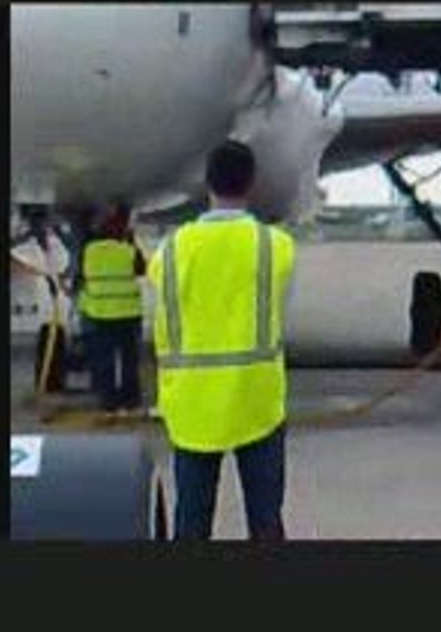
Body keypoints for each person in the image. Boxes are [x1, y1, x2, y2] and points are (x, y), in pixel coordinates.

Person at [147, 140, 295, 540]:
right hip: (257, 402)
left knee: (192, 521)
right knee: (266, 521)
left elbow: (163, 300)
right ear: (251, 183)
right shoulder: (275, 246)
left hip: (192, 406)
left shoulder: (170, 250)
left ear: (206, 183)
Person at [76, 202, 146, 415]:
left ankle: (108, 402)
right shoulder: (127, 250)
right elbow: (142, 268)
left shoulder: (89, 251)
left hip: (100, 315)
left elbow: (80, 275)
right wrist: (131, 240)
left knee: (104, 361)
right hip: (128, 315)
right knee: (129, 361)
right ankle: (131, 401)